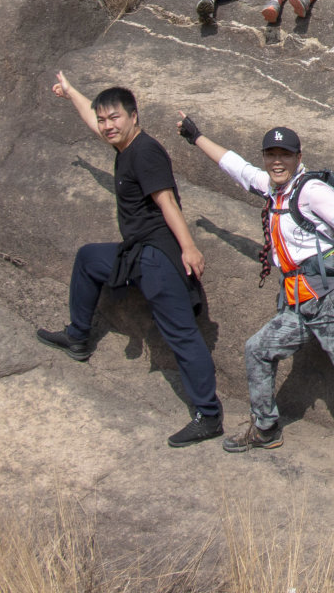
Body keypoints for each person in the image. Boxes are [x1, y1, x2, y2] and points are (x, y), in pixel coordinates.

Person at [174, 119, 334, 453]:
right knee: (257, 350)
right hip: (300, 303)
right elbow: (236, 168)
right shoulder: (273, 188)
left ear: (298, 157)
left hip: (333, 300)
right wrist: (197, 137)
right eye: (271, 153)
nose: (277, 160)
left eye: (284, 154)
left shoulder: (312, 190)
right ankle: (266, 428)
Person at [36, 78, 223, 447]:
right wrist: (72, 92)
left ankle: (210, 415)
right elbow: (94, 122)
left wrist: (189, 248)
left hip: (159, 256)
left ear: (134, 117)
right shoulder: (124, 145)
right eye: (103, 119)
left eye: (115, 117)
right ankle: (78, 338)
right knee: (89, 258)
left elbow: (167, 201)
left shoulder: (146, 151)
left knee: (182, 333)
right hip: (136, 253)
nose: (107, 125)